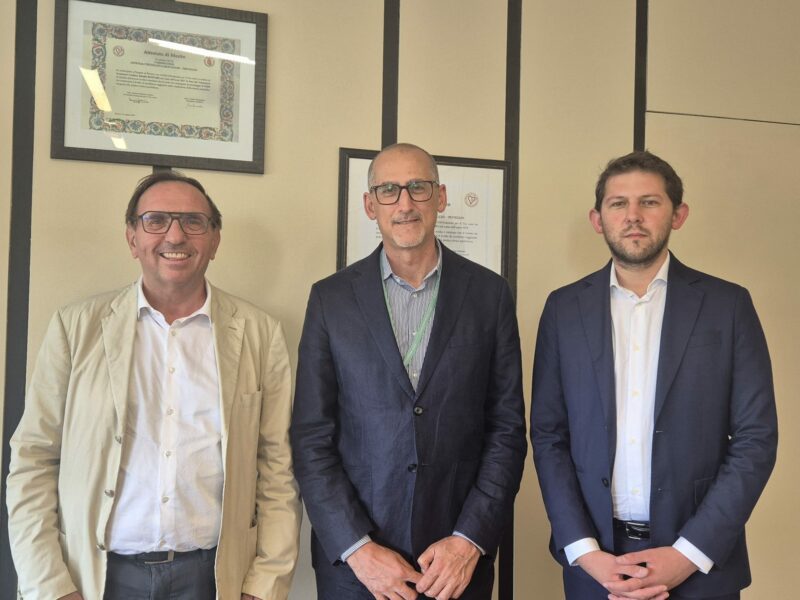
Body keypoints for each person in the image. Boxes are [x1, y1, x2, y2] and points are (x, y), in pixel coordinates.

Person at [6, 171, 302, 600]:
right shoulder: (75, 328)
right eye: (156, 220)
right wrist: (50, 586)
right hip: (96, 578)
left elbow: (276, 469)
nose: (175, 236)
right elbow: (33, 460)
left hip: (214, 578)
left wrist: (265, 585)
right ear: (132, 238)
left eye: (193, 222)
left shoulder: (260, 333)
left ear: (214, 240)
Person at [530, 150, 778, 600]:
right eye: (618, 203)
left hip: (700, 565)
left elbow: (755, 439)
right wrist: (584, 551)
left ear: (678, 215)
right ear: (597, 219)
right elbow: (549, 435)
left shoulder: (728, 306)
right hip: (596, 565)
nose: (633, 216)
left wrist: (688, 554)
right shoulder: (563, 310)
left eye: (649, 202)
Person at [290, 143, 527, 599]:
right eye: (389, 190)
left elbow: (506, 430)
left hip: (456, 565)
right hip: (358, 570)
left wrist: (469, 540)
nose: (404, 203)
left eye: (418, 187)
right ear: (370, 205)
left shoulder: (489, 295)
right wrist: (358, 548)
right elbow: (311, 437)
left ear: (440, 197)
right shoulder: (330, 300)